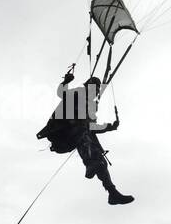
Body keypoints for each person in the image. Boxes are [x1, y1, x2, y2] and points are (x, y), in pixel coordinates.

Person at [37, 67, 134, 205]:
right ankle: (90, 162)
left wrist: (109, 127)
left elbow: (92, 127)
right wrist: (66, 81)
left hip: (73, 136)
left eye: (96, 90)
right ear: (88, 86)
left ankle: (112, 193)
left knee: (100, 161)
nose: (95, 92)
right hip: (60, 131)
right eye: (94, 88)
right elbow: (61, 93)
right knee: (84, 132)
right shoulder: (79, 92)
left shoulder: (91, 106)